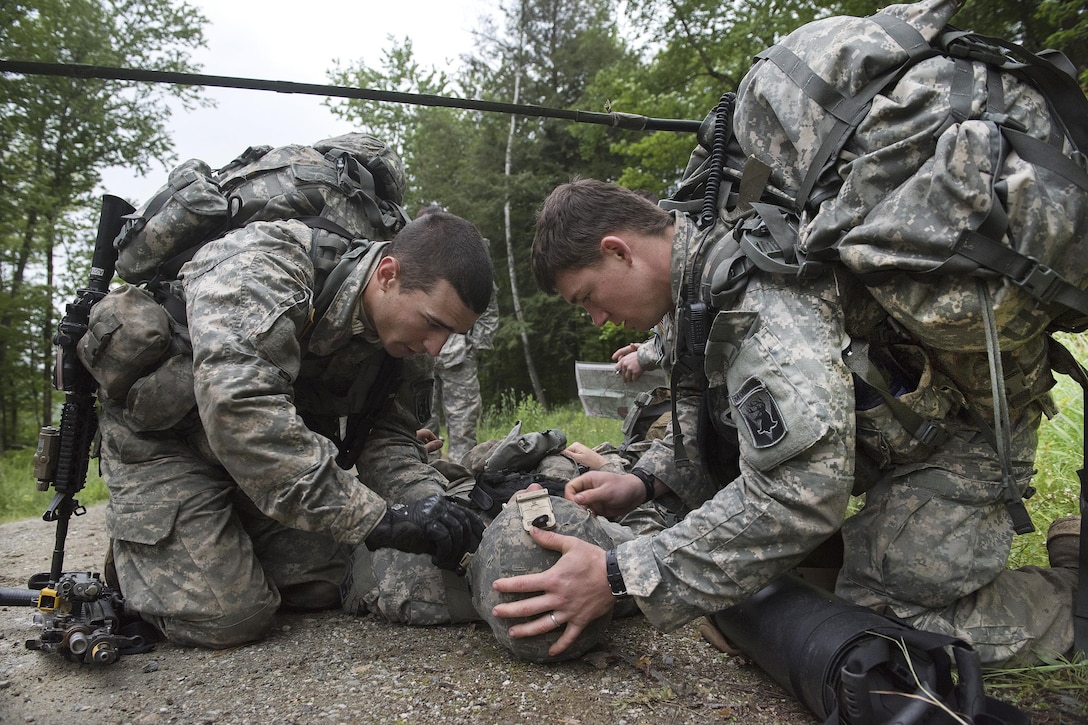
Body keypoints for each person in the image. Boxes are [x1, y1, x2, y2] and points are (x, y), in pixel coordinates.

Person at [489, 178, 1080, 667]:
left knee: (885, 623)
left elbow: (799, 498)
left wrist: (621, 575)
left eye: (587, 296)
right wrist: (646, 481)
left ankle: (1070, 603)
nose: (595, 319)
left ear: (619, 251)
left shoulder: (758, 298)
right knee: (795, 579)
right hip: (903, 442)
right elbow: (712, 418)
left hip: (964, 439)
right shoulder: (696, 292)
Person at [98, 200, 493, 649]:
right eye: (433, 324)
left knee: (329, 578)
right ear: (387, 275)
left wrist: (430, 510)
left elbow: (390, 439)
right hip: (165, 444)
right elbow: (243, 416)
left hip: (263, 465)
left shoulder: (405, 342)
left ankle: (225, 533)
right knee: (233, 617)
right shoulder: (263, 268)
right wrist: (378, 518)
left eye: (451, 335)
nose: (438, 348)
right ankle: (139, 557)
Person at [417, 204, 501, 465]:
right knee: (421, 423)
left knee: (463, 425)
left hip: (459, 358)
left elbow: (488, 304)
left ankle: (462, 483)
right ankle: (426, 479)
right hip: (419, 359)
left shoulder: (463, 261)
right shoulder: (413, 260)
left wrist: (476, 344)